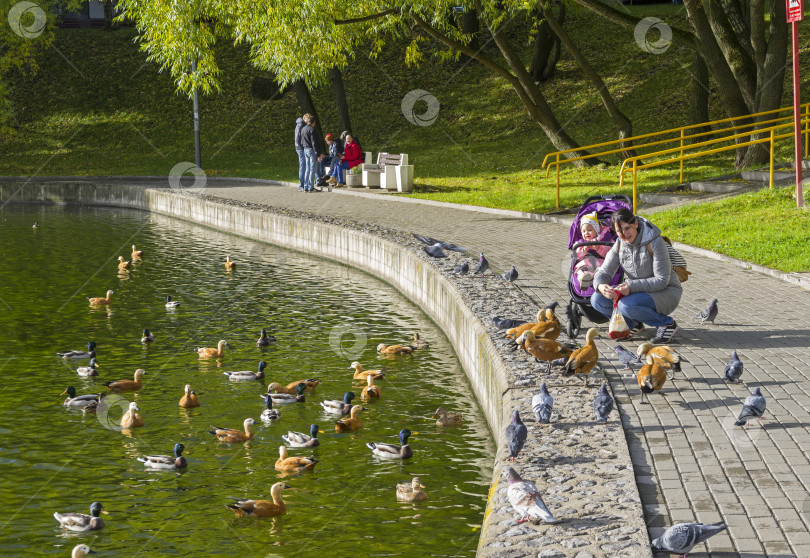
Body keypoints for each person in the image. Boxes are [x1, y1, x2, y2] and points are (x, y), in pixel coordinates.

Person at [591, 208, 681, 343]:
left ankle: (666, 324)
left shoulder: (655, 242)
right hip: (638, 290)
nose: (624, 234)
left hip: (666, 290)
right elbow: (604, 272)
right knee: (597, 299)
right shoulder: (620, 244)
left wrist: (630, 286)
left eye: (627, 228)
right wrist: (600, 285)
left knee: (626, 305)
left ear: (636, 224)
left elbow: (662, 280)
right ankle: (632, 324)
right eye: (619, 231)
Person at [574, 212, 611, 290]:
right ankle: (584, 280)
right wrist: (583, 250)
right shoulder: (580, 243)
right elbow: (576, 256)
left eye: (589, 230)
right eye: (584, 231)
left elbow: (610, 253)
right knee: (582, 270)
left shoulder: (603, 240)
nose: (586, 233)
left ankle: (598, 276)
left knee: (602, 269)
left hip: (600, 263)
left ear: (596, 230)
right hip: (586, 265)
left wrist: (599, 248)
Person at [299, 115, 322, 192]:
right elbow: (314, 143)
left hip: (305, 149)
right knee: (312, 169)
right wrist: (318, 154)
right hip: (311, 150)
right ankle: (311, 186)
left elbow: (301, 141)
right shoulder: (312, 130)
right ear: (314, 122)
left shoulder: (303, 129)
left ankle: (306, 186)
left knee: (307, 169)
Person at [294, 114, 310, 191]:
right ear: (304, 118)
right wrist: (301, 147)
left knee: (305, 165)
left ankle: (305, 184)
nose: (308, 120)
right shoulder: (300, 124)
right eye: (307, 119)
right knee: (303, 166)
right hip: (300, 148)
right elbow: (297, 137)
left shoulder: (303, 124)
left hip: (302, 147)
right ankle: (301, 185)